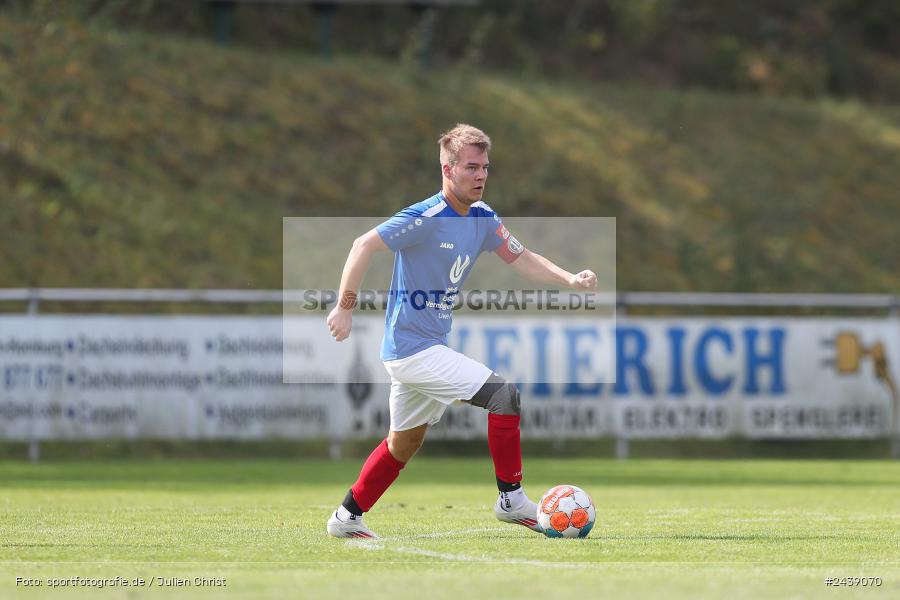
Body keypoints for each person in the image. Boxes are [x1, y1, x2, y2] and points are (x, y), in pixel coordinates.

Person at [325, 123, 597, 538]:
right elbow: (362, 245)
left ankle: (345, 518)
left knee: (403, 444)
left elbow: (521, 257)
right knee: (504, 395)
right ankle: (511, 499)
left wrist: (570, 279)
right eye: (471, 168)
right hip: (411, 350)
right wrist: (344, 308)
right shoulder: (426, 216)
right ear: (447, 170)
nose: (481, 176)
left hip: (425, 347)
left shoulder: (484, 219)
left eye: (485, 167)